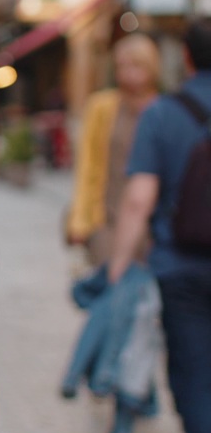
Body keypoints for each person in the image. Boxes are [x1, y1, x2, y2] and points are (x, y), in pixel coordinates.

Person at [109, 18, 211, 433]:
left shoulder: (164, 114)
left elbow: (137, 199)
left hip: (183, 269)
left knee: (195, 383)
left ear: (185, 60)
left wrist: (117, 266)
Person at [67, 34, 162, 265]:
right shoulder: (102, 107)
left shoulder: (163, 110)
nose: (128, 73)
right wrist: (81, 219)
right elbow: (87, 166)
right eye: (121, 66)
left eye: (135, 65)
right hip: (108, 219)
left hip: (153, 225)